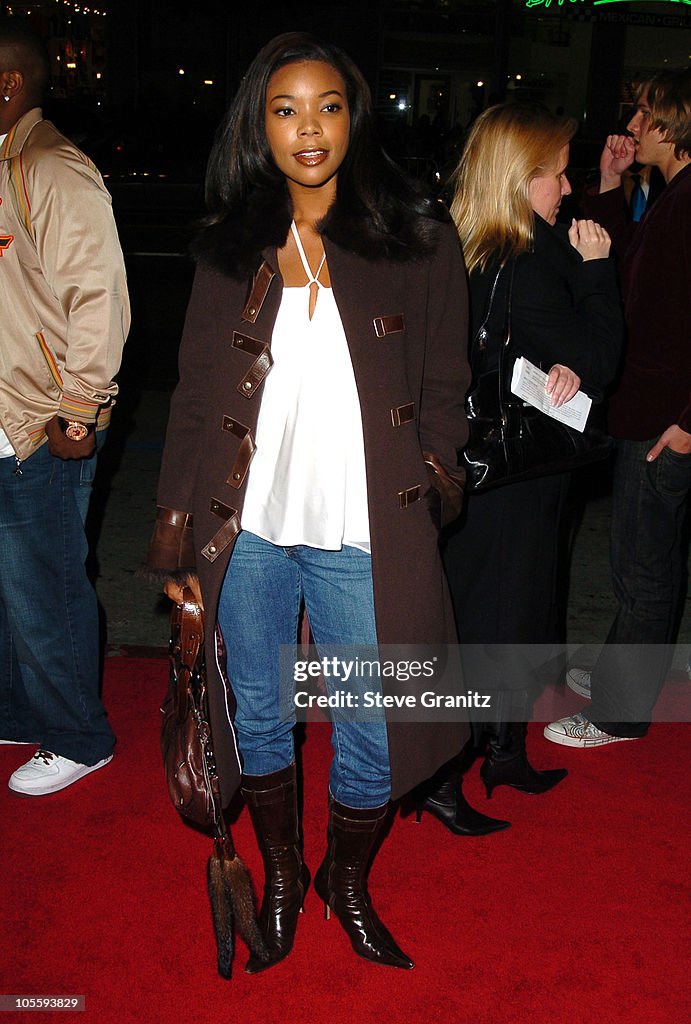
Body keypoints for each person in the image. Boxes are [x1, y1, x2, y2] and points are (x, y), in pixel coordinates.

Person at [145, 32, 470, 973]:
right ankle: (284, 876)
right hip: (245, 529)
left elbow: (446, 377)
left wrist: (437, 473)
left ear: (354, 115)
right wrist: (174, 551)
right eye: (284, 110)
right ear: (259, 125)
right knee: (258, 709)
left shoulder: (418, 237)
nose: (308, 128)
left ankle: (347, 878)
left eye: (326, 105)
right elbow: (198, 402)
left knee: (375, 723)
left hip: (365, 527)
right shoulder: (229, 249)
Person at [417, 102, 623, 832]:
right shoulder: (524, 262)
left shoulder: (469, 240)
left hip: (497, 469)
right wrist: (599, 274)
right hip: (510, 478)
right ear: (520, 175)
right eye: (558, 173)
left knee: (501, 618)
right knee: (491, 624)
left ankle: (501, 751)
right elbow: (600, 355)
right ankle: (441, 778)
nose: (566, 189)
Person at [0, 21, 129, 795]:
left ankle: (80, 735)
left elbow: (100, 297)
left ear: (8, 86)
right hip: (9, 411)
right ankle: (21, 709)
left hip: (44, 421)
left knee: (45, 585)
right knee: (11, 585)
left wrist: (78, 406)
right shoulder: (7, 165)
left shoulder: (51, 167)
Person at [546, 67, 691, 748]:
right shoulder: (671, 194)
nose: (630, 125)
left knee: (645, 565)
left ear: (673, 122)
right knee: (642, 559)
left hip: (665, 418)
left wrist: (689, 424)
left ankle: (620, 712)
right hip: (647, 407)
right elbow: (621, 265)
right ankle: (618, 676)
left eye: (642, 114)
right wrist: (609, 184)